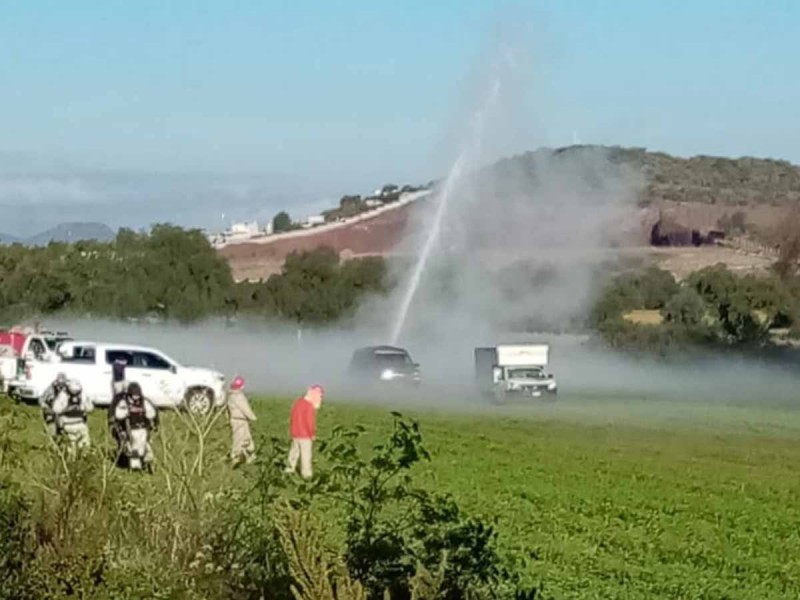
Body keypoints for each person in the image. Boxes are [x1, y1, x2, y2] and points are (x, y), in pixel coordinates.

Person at [114, 382, 159, 471]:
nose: (136, 397)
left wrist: (148, 415)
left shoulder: (144, 402)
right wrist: (126, 413)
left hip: (143, 428)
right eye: (134, 395)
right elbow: (118, 415)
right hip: (130, 429)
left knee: (144, 445)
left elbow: (152, 413)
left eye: (138, 395)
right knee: (133, 447)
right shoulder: (124, 402)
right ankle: (135, 466)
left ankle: (147, 462)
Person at [285, 385, 324, 479]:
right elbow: (309, 422)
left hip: (295, 432)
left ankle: (289, 469)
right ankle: (306, 474)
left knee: (294, 452)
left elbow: (292, 417)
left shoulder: (298, 402)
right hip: (305, 435)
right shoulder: (309, 406)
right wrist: (312, 434)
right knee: (306, 455)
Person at [52, 379, 92, 450]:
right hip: (68, 425)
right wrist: (68, 408)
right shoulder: (63, 396)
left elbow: (90, 408)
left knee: (83, 446)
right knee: (72, 447)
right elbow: (56, 409)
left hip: (79, 424)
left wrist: (81, 407)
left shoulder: (82, 395)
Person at [227, 376, 257, 465]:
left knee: (243, 438)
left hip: (235, 419)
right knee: (240, 439)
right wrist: (253, 417)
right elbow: (245, 408)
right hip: (240, 420)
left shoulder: (231, 396)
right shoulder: (239, 396)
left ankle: (248, 456)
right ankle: (236, 457)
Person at [39, 372, 68, 438]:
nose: (60, 386)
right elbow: (41, 399)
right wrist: (44, 405)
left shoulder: (68, 389)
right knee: (52, 429)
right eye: (59, 384)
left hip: (63, 411)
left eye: (62, 384)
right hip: (51, 411)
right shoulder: (51, 388)